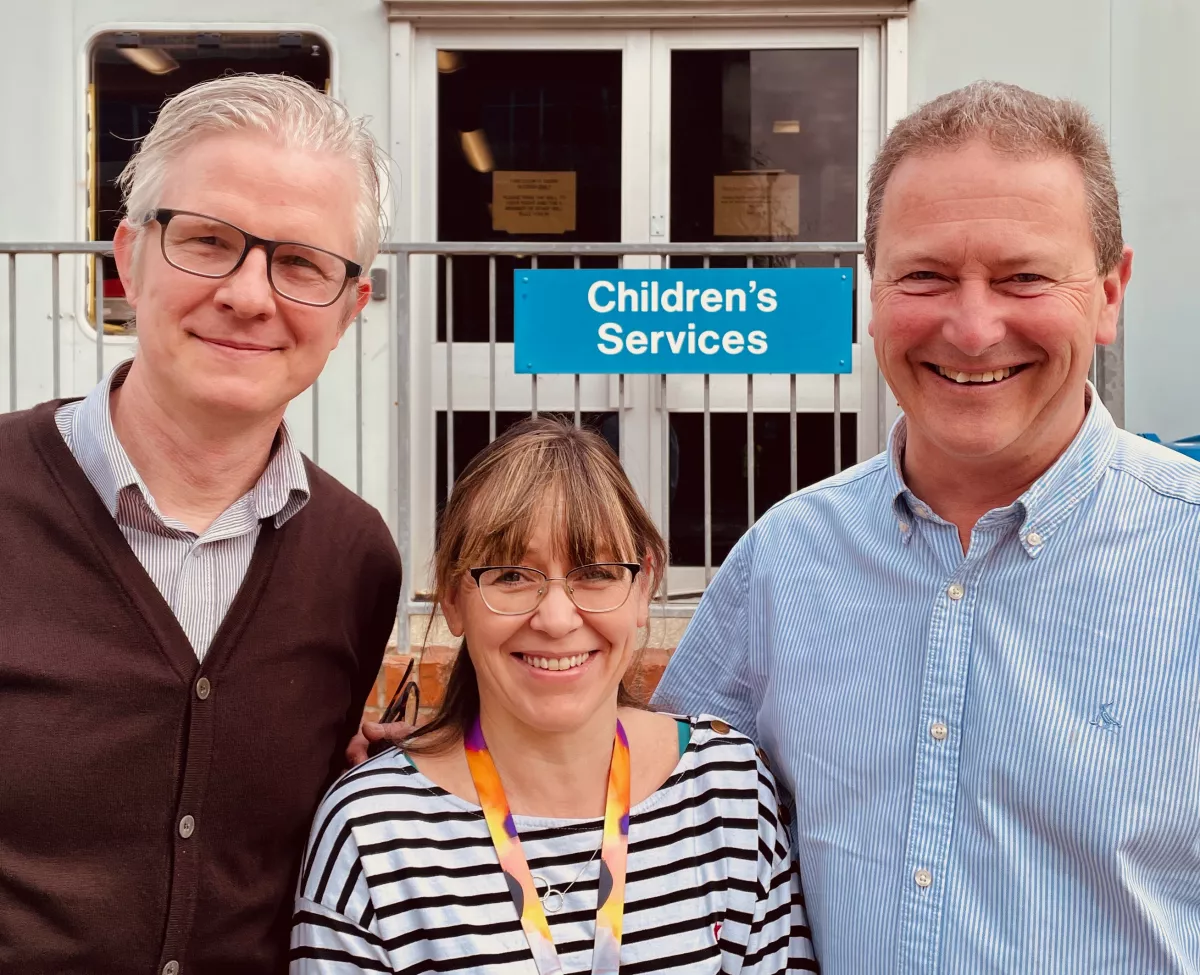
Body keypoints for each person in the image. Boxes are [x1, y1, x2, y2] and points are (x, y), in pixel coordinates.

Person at [655, 80, 1200, 973]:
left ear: (1109, 294)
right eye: (926, 276)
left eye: (1024, 276)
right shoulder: (785, 560)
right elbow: (654, 811)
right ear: (873, 294)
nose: (974, 327)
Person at [0, 75, 401, 974]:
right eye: (208, 242)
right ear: (130, 257)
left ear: (349, 309)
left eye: (301, 262)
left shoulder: (356, 559)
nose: (250, 295)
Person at [292, 418, 817, 974]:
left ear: (644, 588)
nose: (557, 618)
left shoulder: (725, 793)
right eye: (512, 576)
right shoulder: (376, 831)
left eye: (596, 572)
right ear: (451, 597)